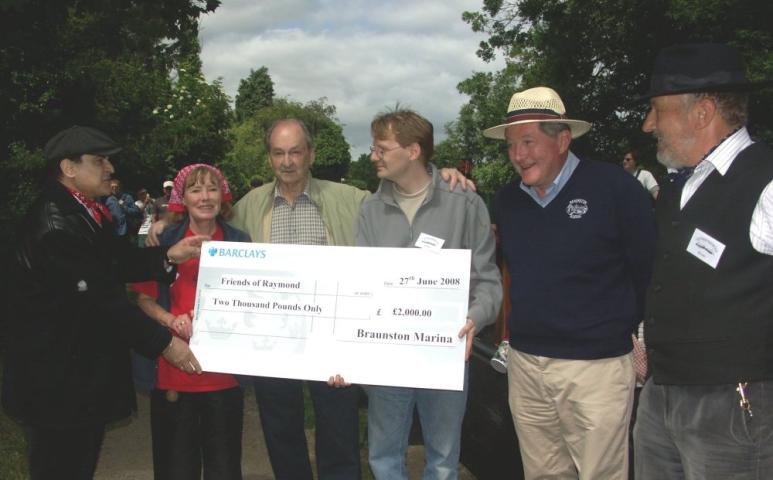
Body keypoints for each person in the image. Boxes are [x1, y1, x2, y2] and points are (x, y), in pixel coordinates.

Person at [1, 125, 205, 480]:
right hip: (57, 384)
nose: (110, 168)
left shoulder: (81, 211)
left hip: (72, 376)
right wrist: (164, 343)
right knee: (61, 468)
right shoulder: (57, 224)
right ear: (69, 168)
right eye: (99, 160)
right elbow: (100, 301)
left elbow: (114, 261)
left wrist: (167, 255)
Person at [483, 86, 656, 479]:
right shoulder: (508, 200)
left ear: (563, 139)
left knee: (601, 473)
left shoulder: (615, 188)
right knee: (542, 473)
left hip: (597, 367)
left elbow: (647, 270)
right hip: (527, 365)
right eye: (511, 145)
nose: (518, 155)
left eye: (528, 141)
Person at [330, 109, 501, 479]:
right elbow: (362, 286)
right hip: (387, 358)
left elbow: (488, 280)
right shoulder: (371, 211)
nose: (373, 155)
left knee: (442, 460)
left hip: (446, 354)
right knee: (384, 457)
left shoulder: (465, 203)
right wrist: (347, 350)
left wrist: (475, 319)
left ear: (412, 151)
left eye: (381, 148)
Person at [633, 42, 773, 480]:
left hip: (732, 404)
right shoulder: (678, 186)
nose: (647, 124)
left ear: (702, 112)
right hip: (661, 395)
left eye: (658, 110)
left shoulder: (764, 181)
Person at [133, 164, 250, 479]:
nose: (205, 197)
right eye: (196, 190)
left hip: (224, 376)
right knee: (175, 469)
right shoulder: (164, 241)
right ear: (181, 198)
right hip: (173, 373)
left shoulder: (241, 241)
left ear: (222, 195)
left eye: (212, 188)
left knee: (224, 469)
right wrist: (171, 320)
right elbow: (143, 299)